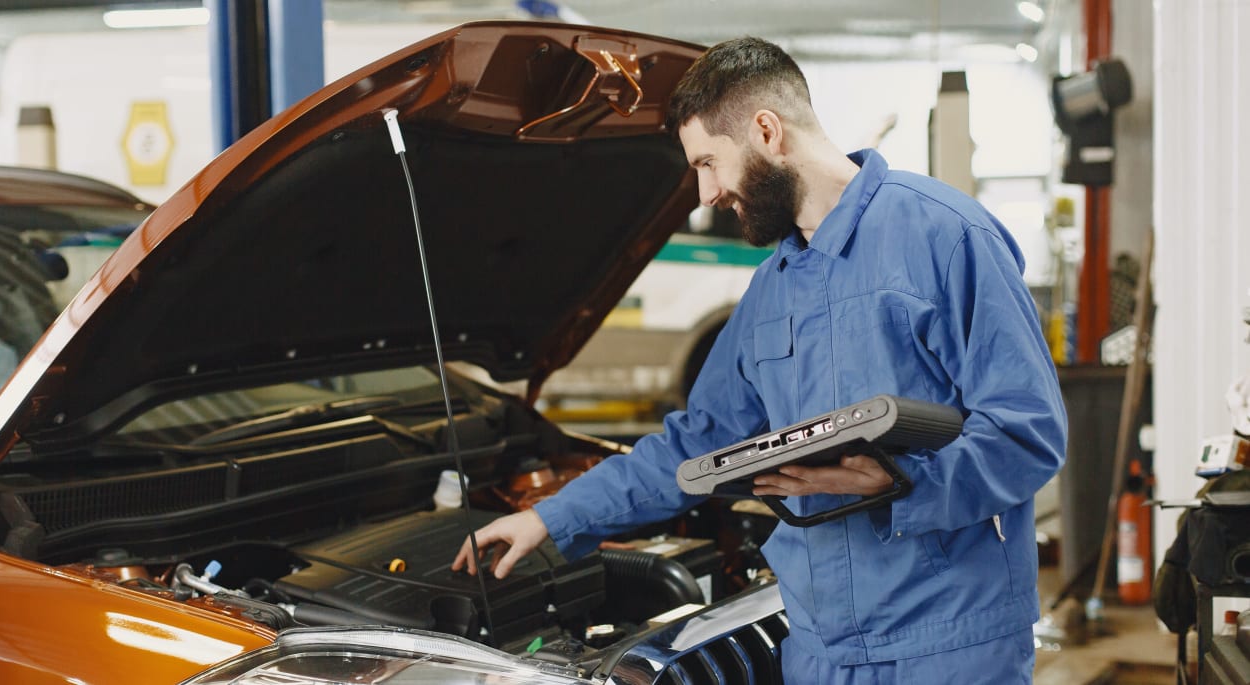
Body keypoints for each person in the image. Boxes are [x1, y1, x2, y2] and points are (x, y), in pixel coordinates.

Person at [453, 37, 1066, 682]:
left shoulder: (946, 236)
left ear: (767, 131)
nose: (705, 192)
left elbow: (1028, 433)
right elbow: (694, 444)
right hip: (819, 650)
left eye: (710, 162)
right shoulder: (772, 290)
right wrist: (548, 518)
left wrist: (898, 482)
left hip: (945, 645)